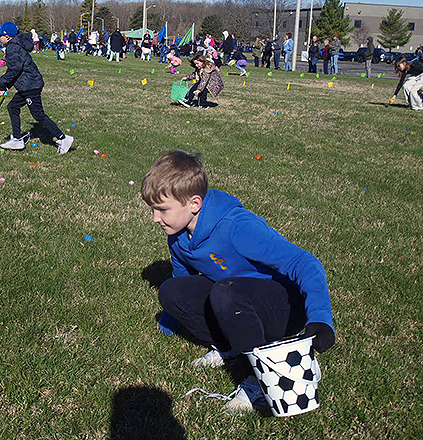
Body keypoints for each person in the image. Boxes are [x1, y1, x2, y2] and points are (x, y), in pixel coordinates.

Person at [141, 151, 335, 414]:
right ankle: (230, 348)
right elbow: (182, 279)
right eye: (153, 209)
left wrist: (320, 319)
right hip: (235, 301)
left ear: (194, 203)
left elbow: (305, 263)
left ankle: (266, 378)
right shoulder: (177, 236)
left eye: (162, 209)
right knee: (171, 291)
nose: (155, 218)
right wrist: (168, 320)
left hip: (283, 307)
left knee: (225, 292)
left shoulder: (237, 227)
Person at [0, 22, 74, 153]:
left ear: (7, 37)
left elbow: (14, 71)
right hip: (27, 85)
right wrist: (6, 86)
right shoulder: (16, 45)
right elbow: (17, 72)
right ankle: (17, 139)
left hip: (30, 86)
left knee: (38, 115)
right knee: (12, 107)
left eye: (0, 35)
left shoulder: (13, 47)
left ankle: (63, 138)